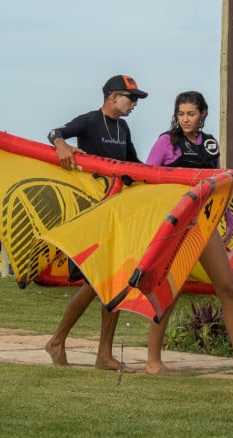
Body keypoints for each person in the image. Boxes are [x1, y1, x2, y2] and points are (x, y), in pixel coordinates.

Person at [144, 90, 233, 375]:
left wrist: (224, 220)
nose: (185, 119)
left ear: (203, 114)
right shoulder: (166, 142)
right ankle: (153, 361)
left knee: (227, 288)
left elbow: (218, 187)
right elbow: (147, 181)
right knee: (169, 292)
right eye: (181, 114)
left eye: (191, 114)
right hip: (174, 228)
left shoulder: (210, 145)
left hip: (203, 225)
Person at [44, 74, 148, 371]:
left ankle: (103, 354)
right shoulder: (89, 121)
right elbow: (55, 131)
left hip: (116, 211)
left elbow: (134, 164)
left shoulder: (123, 127)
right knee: (97, 281)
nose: (135, 104)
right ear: (113, 97)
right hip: (91, 211)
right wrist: (61, 144)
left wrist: (165, 176)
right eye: (132, 98)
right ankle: (58, 340)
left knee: (113, 281)